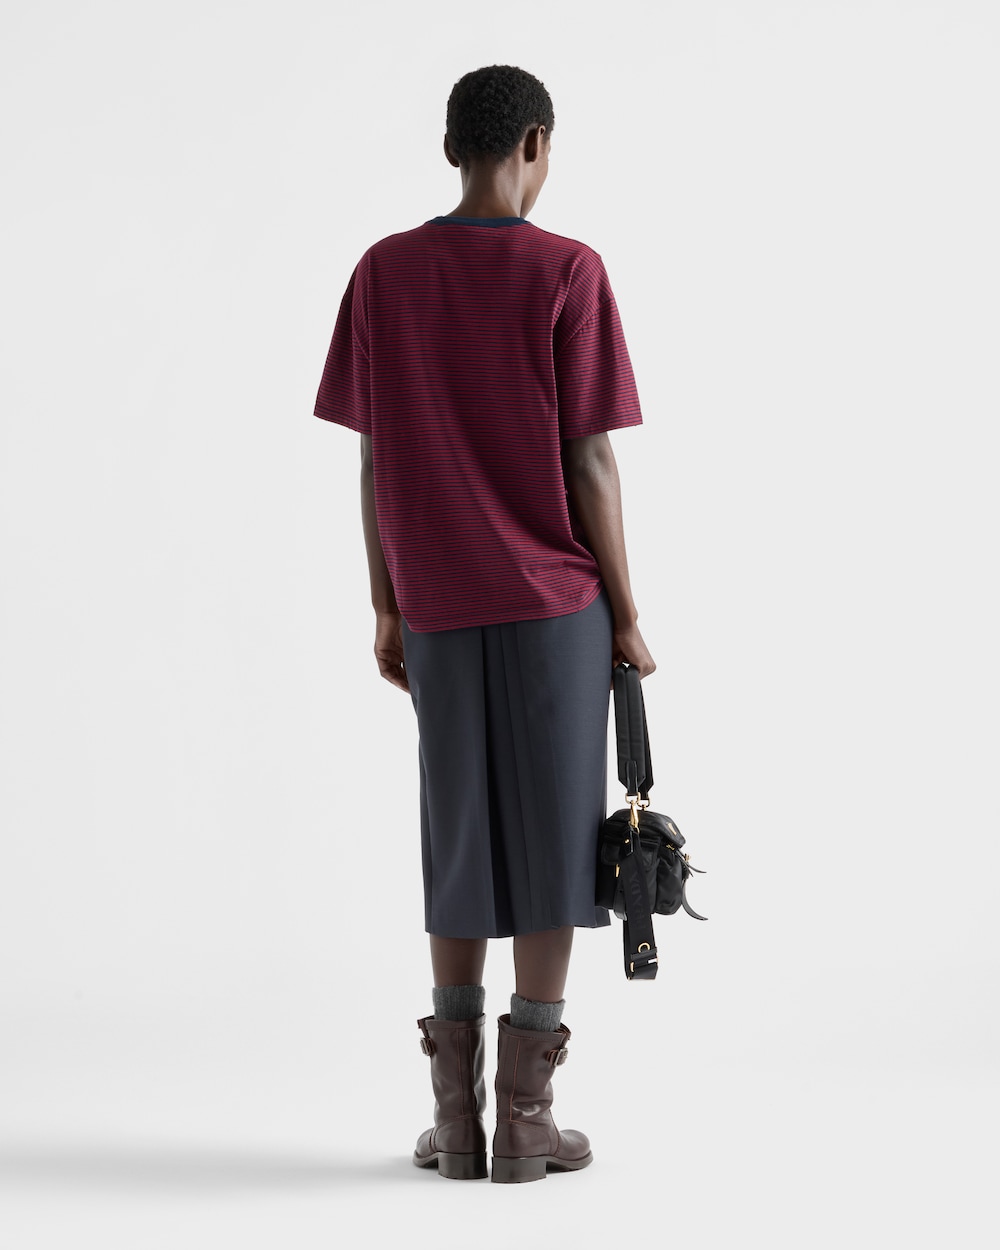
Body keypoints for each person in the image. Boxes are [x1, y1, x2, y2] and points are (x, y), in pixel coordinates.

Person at [313, 64, 654, 1184]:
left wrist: (385, 600)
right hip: (557, 602)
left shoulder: (383, 272)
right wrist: (628, 615)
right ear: (535, 144)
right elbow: (590, 459)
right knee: (557, 841)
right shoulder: (568, 269)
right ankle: (526, 1120)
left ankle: (455, 1121)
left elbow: (374, 458)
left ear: (452, 147)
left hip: (439, 598)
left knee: (456, 834)